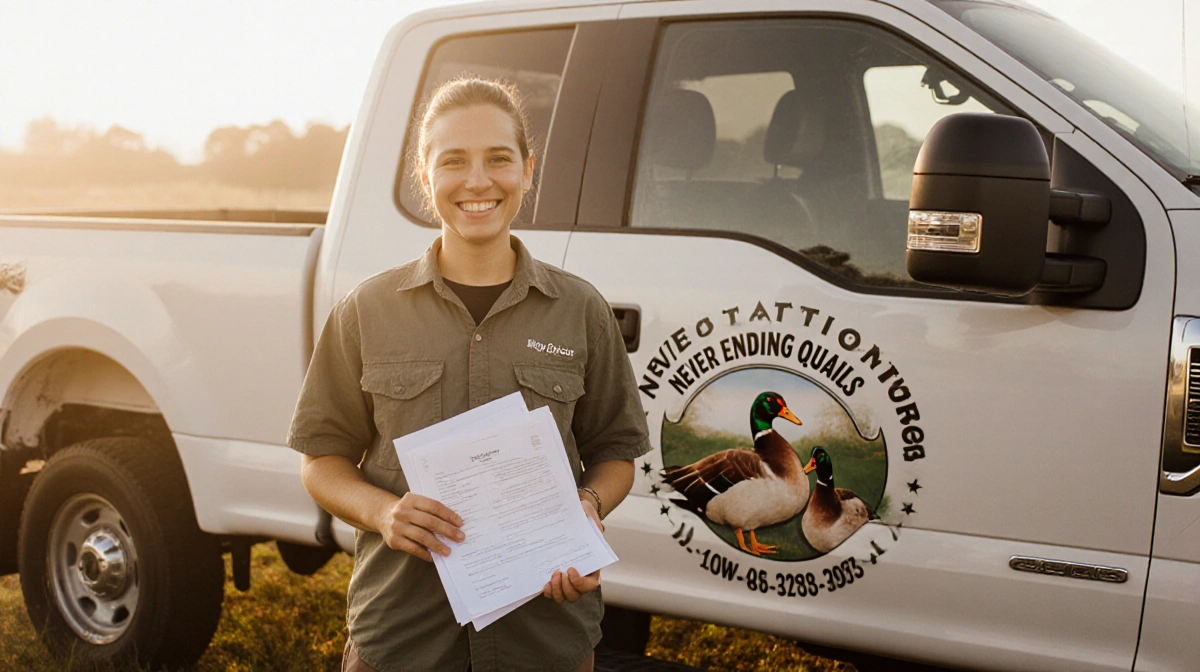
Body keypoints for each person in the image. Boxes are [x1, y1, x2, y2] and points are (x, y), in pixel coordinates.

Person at [287, 76, 651, 672]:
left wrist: (587, 505)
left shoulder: (580, 309)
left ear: (527, 170)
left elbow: (615, 451)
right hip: (403, 639)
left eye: (499, 159)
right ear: (425, 178)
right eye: (453, 161)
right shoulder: (365, 311)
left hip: (545, 638)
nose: (478, 181)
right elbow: (320, 459)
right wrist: (383, 512)